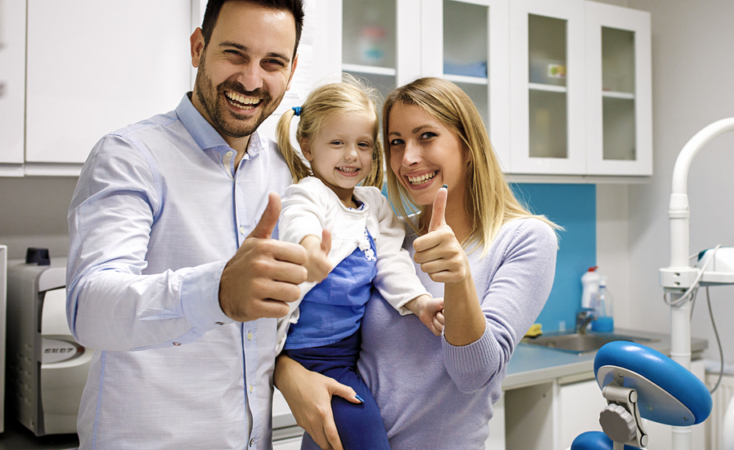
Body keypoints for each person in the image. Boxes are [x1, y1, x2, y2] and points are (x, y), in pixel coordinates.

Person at [66, 1, 358, 448]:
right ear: (198, 47)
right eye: (235, 54)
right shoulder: (130, 157)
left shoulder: (289, 175)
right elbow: (90, 308)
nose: (251, 79)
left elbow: (269, 332)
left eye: (272, 63)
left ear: (292, 68)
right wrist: (218, 292)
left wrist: (289, 371)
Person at [276, 77, 560, 449]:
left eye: (426, 136)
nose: (408, 157)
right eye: (396, 142)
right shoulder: (384, 236)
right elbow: (316, 330)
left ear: (468, 144)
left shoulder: (524, 240)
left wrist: (458, 280)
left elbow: (474, 375)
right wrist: (286, 373)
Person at [273, 78, 445, 449]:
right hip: (311, 356)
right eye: (337, 143)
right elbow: (297, 220)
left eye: (363, 145)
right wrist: (308, 251)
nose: (352, 155)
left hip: (348, 354)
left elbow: (391, 260)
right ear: (307, 146)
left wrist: (419, 302)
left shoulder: (373, 205)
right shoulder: (309, 193)